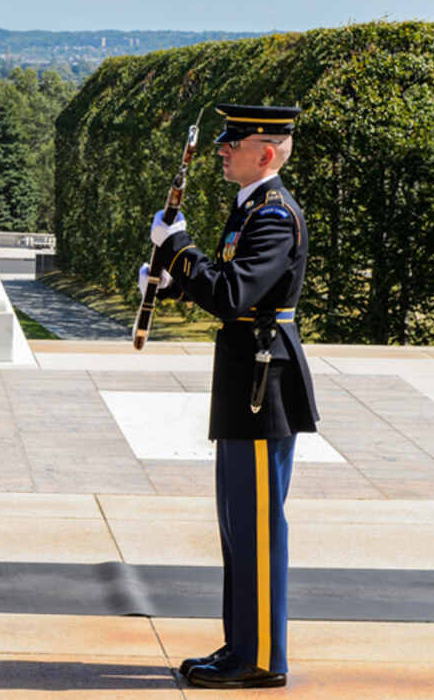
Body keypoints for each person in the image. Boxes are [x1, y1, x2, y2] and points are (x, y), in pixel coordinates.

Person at [139, 103, 318, 689]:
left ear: (265, 154)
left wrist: (180, 246)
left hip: (265, 382)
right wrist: (170, 281)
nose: (221, 151)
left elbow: (233, 295)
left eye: (232, 145)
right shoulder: (249, 209)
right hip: (246, 377)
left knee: (259, 527)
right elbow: (223, 287)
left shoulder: (272, 215)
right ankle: (242, 644)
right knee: (238, 524)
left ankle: (264, 658)